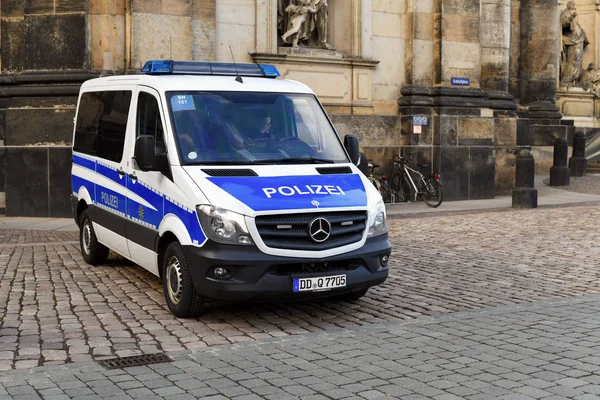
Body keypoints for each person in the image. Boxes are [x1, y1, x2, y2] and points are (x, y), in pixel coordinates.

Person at [560, 1, 589, 88]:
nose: (575, 7)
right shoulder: (566, 13)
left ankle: (573, 82)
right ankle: (566, 81)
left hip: (578, 41)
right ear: (570, 6)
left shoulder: (573, 14)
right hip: (572, 42)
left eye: (575, 6)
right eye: (573, 6)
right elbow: (562, 23)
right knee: (573, 61)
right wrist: (570, 18)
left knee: (577, 62)